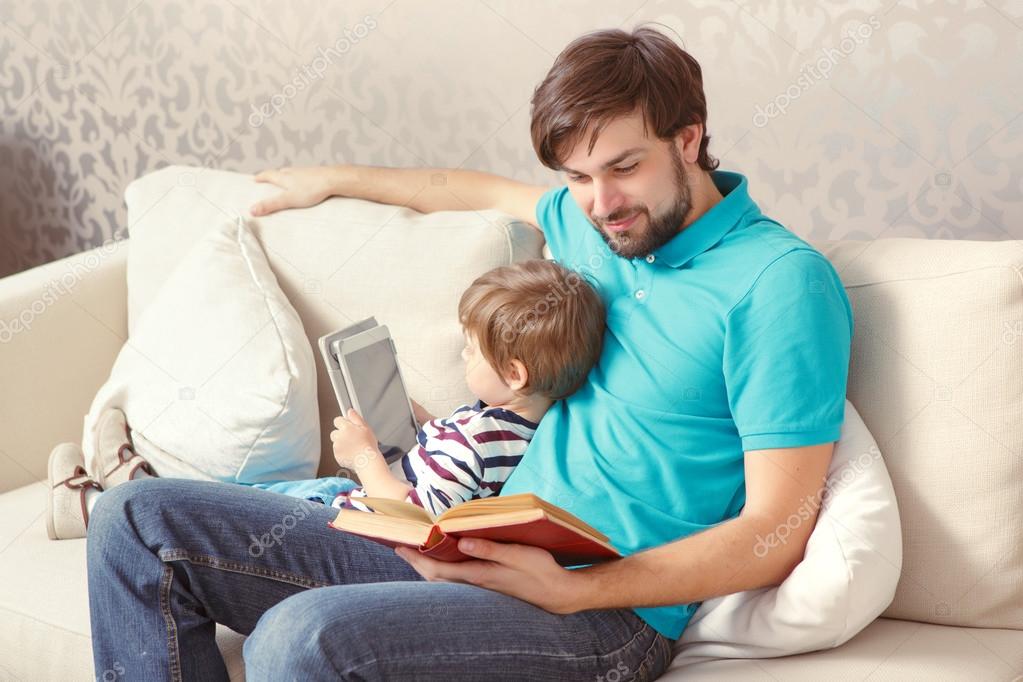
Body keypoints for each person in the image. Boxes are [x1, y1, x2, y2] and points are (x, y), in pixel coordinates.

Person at [87, 25, 852, 680]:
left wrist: (576, 591)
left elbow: (773, 531)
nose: (601, 203)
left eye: (624, 168)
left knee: (300, 636)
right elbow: (465, 187)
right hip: (469, 538)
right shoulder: (600, 228)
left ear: (688, 139)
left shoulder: (778, 284)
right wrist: (330, 178)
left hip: (605, 616)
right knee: (133, 520)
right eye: (578, 178)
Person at [254, 259, 606, 515]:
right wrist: (423, 420)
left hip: (349, 512)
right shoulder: (517, 429)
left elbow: (418, 517)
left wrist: (363, 457)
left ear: (514, 374)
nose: (464, 355)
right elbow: (455, 466)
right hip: (353, 497)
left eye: (472, 349)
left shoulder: (475, 439)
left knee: (239, 506)